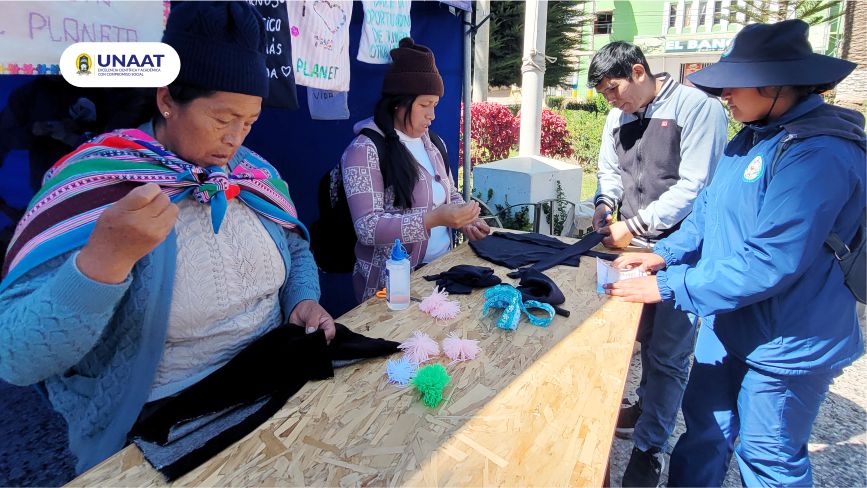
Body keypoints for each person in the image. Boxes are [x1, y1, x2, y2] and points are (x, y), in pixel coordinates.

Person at [0, 2, 335, 474]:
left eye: (250, 121)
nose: (236, 139)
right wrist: (103, 263)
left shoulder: (251, 173)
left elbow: (296, 247)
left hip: (274, 379)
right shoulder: (99, 183)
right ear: (167, 99)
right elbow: (15, 357)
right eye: (223, 119)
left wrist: (302, 298)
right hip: (168, 420)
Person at [605, 19, 864, 487]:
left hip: (788, 339)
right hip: (731, 321)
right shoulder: (751, 137)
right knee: (704, 430)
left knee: (769, 458)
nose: (724, 95)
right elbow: (706, 215)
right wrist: (663, 255)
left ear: (777, 83)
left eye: (734, 85)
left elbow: (771, 260)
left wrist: (667, 284)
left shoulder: (819, 153)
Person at [587, 41, 729, 486]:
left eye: (614, 89)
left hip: (678, 250)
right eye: (605, 95)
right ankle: (644, 405)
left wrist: (641, 223)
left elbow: (696, 187)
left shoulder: (697, 108)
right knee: (634, 337)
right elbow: (609, 168)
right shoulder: (618, 115)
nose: (612, 102)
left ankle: (649, 447)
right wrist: (606, 202)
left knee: (668, 353)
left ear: (638, 71)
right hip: (628, 245)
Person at [341, 37, 490, 303]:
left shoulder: (434, 143)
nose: (431, 115)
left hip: (442, 274)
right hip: (390, 288)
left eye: (435, 105)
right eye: (424, 105)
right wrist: (432, 219)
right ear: (398, 102)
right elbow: (367, 227)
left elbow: (449, 194)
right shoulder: (364, 150)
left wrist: (465, 220)